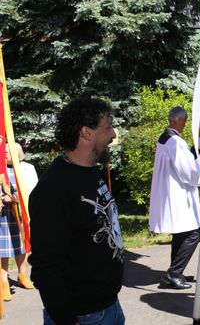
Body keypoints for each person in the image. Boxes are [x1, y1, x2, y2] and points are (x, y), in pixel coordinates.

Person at [29, 98, 124, 325]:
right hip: (84, 316)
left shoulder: (89, 172)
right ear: (86, 133)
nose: (113, 135)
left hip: (109, 306)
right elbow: (45, 267)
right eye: (108, 126)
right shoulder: (54, 189)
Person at [149, 106, 200, 290]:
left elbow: (183, 163)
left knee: (182, 232)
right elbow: (189, 173)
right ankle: (174, 273)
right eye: (184, 121)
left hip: (173, 192)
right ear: (179, 120)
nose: (185, 125)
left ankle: (174, 273)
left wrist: (195, 151)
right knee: (194, 233)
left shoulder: (165, 138)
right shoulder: (175, 142)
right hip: (179, 194)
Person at [1, 143, 37, 301]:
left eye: (9, 152)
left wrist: (15, 198)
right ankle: (3, 283)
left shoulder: (27, 168)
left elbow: (32, 190)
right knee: (3, 249)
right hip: (2, 214)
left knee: (21, 246)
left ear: (18, 153)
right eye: (4, 151)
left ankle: (23, 276)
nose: (6, 154)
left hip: (20, 213)